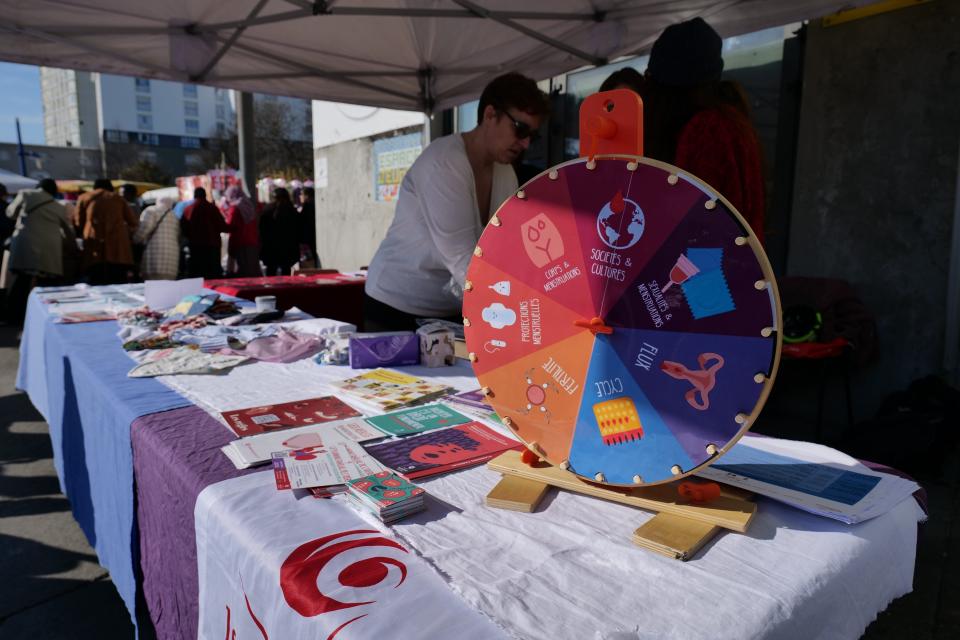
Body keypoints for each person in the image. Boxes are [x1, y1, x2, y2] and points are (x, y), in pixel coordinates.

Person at [364, 72, 550, 331]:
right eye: (520, 129)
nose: (526, 143)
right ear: (489, 115)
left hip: (450, 310)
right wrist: (527, 314)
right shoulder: (444, 163)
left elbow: (505, 248)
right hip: (396, 306)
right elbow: (464, 261)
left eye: (533, 135)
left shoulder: (505, 171)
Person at [640, 17, 766, 243]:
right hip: (736, 268)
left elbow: (689, 225)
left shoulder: (705, 131)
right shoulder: (731, 122)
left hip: (705, 270)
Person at [4, 178, 76, 323]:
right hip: (49, 248)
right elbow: (68, 230)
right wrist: (73, 246)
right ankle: (46, 315)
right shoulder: (59, 206)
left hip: (25, 244)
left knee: (21, 281)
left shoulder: (25, 194)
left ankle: (13, 316)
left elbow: (10, 213)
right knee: (46, 284)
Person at [75, 178, 139, 285]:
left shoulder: (84, 198)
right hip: (118, 250)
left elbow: (78, 222)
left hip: (94, 249)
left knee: (96, 282)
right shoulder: (118, 198)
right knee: (118, 282)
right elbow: (133, 222)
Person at [181, 187, 228, 279]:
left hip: (196, 247)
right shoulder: (212, 208)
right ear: (205, 195)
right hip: (212, 246)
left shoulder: (188, 209)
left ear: (194, 196)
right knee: (212, 275)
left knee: (198, 275)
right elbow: (222, 226)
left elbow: (183, 227)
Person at [132, 195, 179, 280]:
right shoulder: (175, 217)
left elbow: (143, 230)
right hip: (172, 263)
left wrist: (134, 240)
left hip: (154, 259)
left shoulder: (151, 210)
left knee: (152, 287)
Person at [259, 187, 300, 276]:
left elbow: (262, 230)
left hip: (270, 248)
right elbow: (298, 230)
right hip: (288, 248)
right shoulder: (292, 210)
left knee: (271, 272)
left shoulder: (267, 210)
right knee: (286, 272)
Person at [223, 185, 261, 277]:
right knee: (252, 270)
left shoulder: (235, 208)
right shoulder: (249, 205)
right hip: (253, 241)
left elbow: (230, 226)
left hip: (240, 243)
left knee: (243, 272)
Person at [298, 186, 320, 268]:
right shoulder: (314, 204)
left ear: (306, 196)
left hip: (309, 240)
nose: (300, 196)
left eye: (301, 194)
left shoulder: (307, 206)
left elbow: (304, 223)